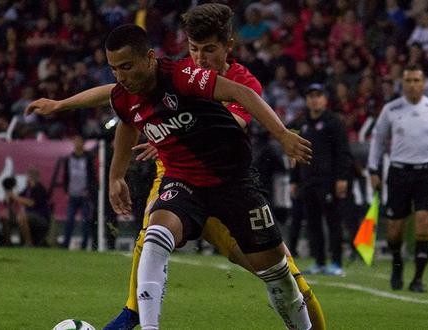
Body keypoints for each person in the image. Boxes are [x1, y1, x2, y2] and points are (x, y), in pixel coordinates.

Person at [26, 5, 325, 330]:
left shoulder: (230, 80)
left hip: (232, 188)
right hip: (181, 183)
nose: (199, 57)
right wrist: (63, 106)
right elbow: (121, 103)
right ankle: (135, 319)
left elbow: (236, 119)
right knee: (153, 237)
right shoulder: (165, 76)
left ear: (228, 47)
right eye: (193, 49)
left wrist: (278, 133)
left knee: (283, 276)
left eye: (208, 49)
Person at [368, 64, 428, 293]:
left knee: (423, 221)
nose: (412, 85)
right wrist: (373, 170)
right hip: (399, 172)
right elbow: (378, 141)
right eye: (408, 81)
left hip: (427, 172)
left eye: (416, 80)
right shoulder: (391, 109)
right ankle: (397, 265)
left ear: (424, 83)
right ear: (402, 84)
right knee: (394, 229)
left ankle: (418, 278)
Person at [290, 83, 353, 276]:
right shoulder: (302, 123)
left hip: (329, 181)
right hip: (308, 180)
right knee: (313, 223)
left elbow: (343, 153)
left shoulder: (334, 122)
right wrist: (294, 179)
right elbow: (295, 155)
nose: (314, 99)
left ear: (325, 99)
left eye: (318, 95)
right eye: (310, 96)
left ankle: (336, 262)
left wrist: (342, 178)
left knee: (333, 222)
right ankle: (318, 261)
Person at [0, 168, 51, 246]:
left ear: (30, 177)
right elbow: (14, 199)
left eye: (27, 176)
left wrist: (14, 197)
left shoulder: (39, 188)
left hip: (41, 218)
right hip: (28, 216)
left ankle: (28, 243)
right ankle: (7, 243)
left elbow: (30, 203)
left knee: (21, 217)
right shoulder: (27, 189)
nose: (26, 178)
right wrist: (9, 194)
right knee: (5, 217)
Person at [62, 135, 97, 250]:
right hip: (72, 194)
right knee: (69, 220)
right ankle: (65, 244)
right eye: (75, 141)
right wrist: (66, 190)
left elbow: (92, 176)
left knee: (85, 221)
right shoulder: (68, 159)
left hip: (84, 195)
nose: (77, 144)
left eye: (79, 141)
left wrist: (89, 190)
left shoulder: (88, 158)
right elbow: (66, 176)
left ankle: (84, 245)